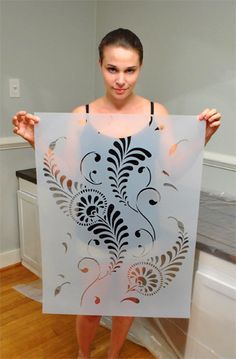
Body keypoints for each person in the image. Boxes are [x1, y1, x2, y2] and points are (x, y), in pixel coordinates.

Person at [12, 28, 221, 359]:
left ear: (140, 68)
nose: (121, 79)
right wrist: (35, 141)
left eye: (130, 70)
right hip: (93, 228)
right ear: (100, 65)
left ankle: (113, 356)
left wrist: (202, 138)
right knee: (92, 304)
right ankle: (84, 354)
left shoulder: (157, 113)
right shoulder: (82, 115)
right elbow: (67, 173)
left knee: (127, 302)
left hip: (142, 231)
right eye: (113, 69)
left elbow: (172, 170)